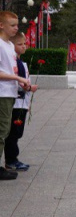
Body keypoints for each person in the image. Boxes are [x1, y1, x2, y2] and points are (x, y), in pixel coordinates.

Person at [0, 12, 31, 180]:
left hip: (10, 92)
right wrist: (18, 78)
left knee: (5, 130)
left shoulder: (9, 46)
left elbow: (11, 69)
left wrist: (21, 83)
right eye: (12, 25)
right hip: (2, 93)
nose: (16, 28)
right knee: (2, 130)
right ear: (1, 25)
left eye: (17, 25)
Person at [5, 32, 37, 171]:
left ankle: (12, 159)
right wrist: (29, 88)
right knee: (13, 133)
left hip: (22, 103)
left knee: (17, 133)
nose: (24, 46)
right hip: (16, 103)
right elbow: (18, 84)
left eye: (25, 43)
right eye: (20, 44)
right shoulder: (14, 63)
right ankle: (11, 160)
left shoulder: (20, 62)